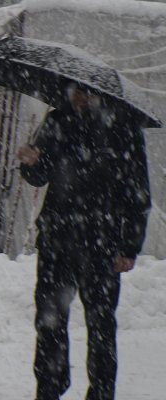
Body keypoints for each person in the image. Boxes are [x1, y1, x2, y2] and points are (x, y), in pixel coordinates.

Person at [16, 84, 151, 400]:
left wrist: (130, 246)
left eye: (87, 91)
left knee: (101, 323)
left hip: (103, 241)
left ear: (100, 93)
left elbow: (139, 192)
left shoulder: (123, 126)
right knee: (49, 321)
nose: (80, 96)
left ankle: (101, 392)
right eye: (76, 90)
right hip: (57, 238)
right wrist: (32, 162)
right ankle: (49, 387)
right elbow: (39, 176)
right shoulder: (56, 121)